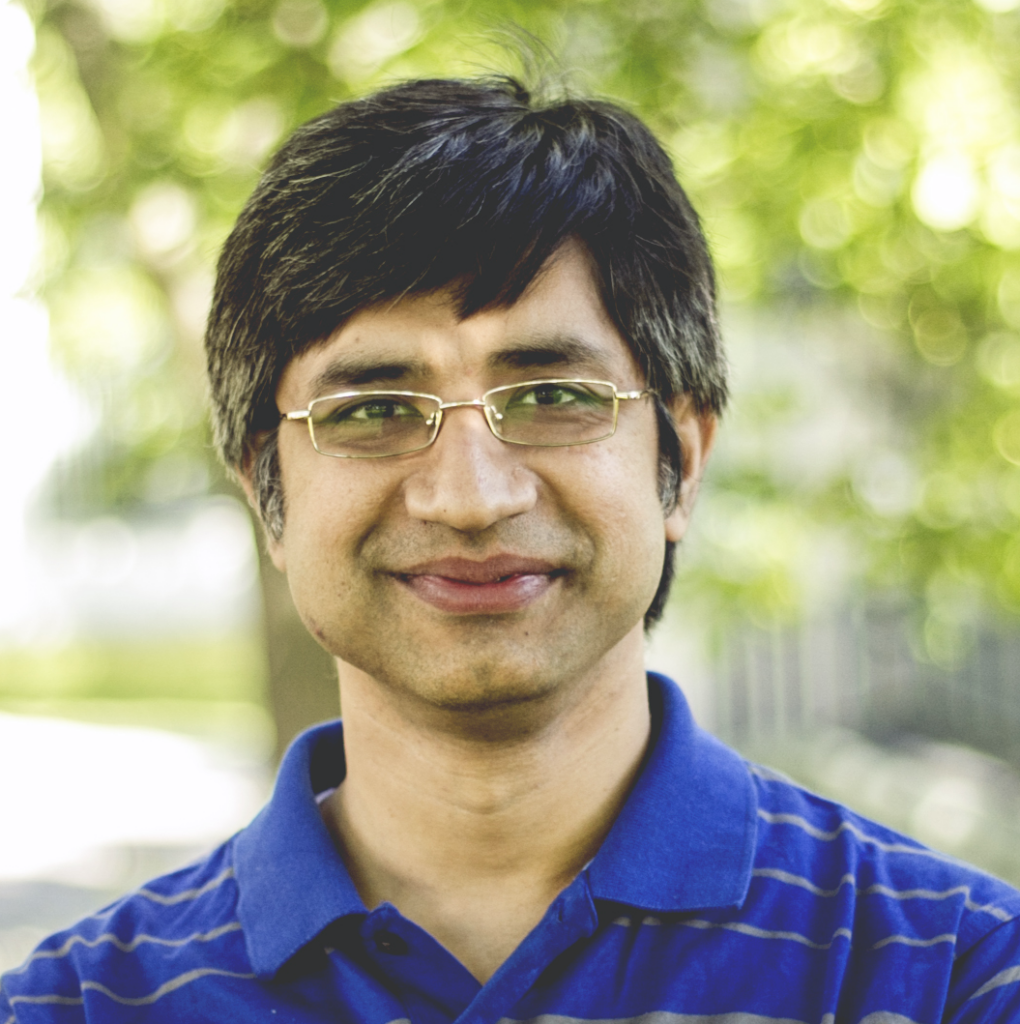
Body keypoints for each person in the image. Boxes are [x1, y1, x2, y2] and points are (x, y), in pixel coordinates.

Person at [3, 75, 1019, 1024]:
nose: (470, 497)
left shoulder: (949, 972)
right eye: (373, 410)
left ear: (684, 457)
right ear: (266, 491)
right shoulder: (80, 1003)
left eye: (551, 397)